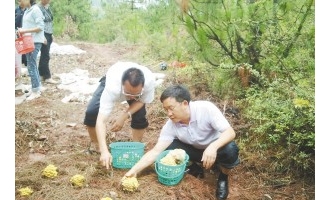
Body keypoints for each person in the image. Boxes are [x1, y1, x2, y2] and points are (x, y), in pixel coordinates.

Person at [123, 85, 240, 200]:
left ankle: (223, 177)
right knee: (168, 148)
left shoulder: (206, 109)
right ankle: (194, 167)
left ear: (184, 103)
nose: (169, 113)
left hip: (216, 150)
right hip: (195, 151)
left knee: (230, 148)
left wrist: (213, 147)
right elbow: (156, 151)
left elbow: (230, 132)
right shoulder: (171, 125)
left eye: (171, 108)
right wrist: (133, 171)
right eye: (166, 110)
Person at [83, 61, 156, 168]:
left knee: (140, 115)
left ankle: (136, 147)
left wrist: (124, 116)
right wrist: (104, 151)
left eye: (135, 94)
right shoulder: (113, 86)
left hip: (134, 88)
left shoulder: (149, 82)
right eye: (128, 93)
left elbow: (141, 101)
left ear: (142, 87)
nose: (131, 97)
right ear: (122, 85)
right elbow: (101, 120)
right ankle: (97, 146)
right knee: (92, 112)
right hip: (110, 78)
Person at [17, 0, 45, 101]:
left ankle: (36, 91)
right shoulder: (27, 11)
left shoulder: (35, 10)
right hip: (28, 40)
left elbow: (40, 27)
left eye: (20, 0)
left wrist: (24, 31)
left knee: (31, 65)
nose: (19, 3)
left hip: (35, 41)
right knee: (32, 64)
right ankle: (37, 87)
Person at [38, 0, 58, 84]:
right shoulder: (39, 8)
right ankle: (47, 76)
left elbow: (49, 22)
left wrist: (51, 34)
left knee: (44, 55)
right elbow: (39, 24)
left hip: (48, 33)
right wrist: (42, 36)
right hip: (43, 34)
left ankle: (41, 74)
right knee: (45, 55)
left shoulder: (47, 7)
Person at [15, 0, 27, 67]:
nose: (20, 2)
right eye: (18, 1)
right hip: (17, 32)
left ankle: (26, 65)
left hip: (25, 32)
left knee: (26, 49)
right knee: (18, 49)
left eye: (21, 1)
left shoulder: (28, 10)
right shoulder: (16, 10)